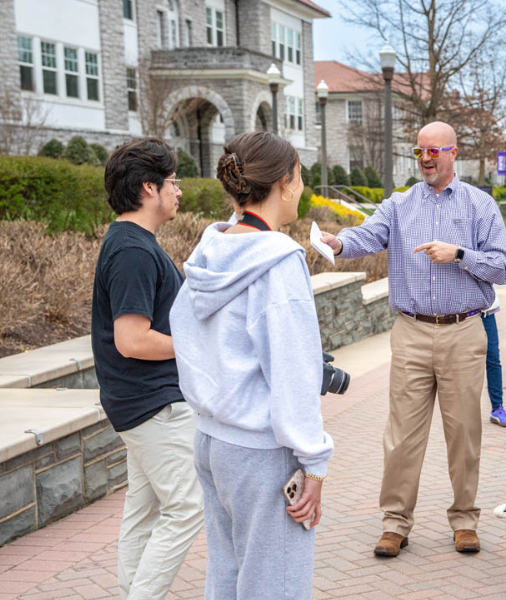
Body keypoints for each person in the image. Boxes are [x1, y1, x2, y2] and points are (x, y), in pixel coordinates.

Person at [320, 121, 506, 557]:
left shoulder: (479, 205)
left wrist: (459, 255)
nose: (425, 158)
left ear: (453, 153)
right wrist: (339, 241)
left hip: (464, 330)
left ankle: (464, 521)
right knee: (402, 436)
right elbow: (367, 235)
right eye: (419, 151)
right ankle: (394, 523)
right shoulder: (400, 204)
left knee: (463, 434)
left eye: (433, 151)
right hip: (410, 331)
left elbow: (502, 268)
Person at [169, 131, 333, 600]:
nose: (301, 187)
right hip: (262, 452)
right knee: (274, 585)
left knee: (227, 578)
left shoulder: (210, 254)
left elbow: (185, 333)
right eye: (300, 177)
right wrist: (314, 463)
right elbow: (294, 371)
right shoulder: (277, 262)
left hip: (212, 439)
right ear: (284, 182)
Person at [91, 137, 203, 600]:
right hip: (152, 404)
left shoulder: (131, 242)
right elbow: (132, 339)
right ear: (147, 189)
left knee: (145, 512)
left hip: (138, 403)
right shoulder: (133, 250)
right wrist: (196, 347)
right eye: (172, 181)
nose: (179, 191)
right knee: (187, 507)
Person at [482, 288, 506, 427]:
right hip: (461, 315)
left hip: (486, 313)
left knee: (493, 358)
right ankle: (462, 411)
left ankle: (497, 409)